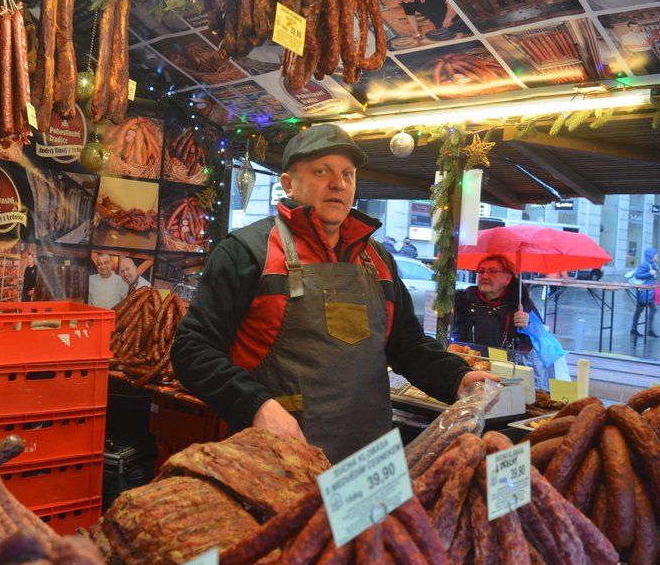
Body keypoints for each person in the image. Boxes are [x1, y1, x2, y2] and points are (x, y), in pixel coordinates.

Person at [171, 124, 493, 462]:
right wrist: (255, 405)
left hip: (370, 462)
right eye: (321, 171)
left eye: (348, 174)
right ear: (288, 184)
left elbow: (407, 345)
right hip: (278, 458)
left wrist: (458, 377)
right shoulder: (247, 252)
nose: (338, 183)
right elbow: (193, 350)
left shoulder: (378, 259)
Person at [452, 254, 549, 389]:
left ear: (508, 279)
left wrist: (529, 326)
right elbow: (455, 339)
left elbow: (541, 343)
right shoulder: (465, 301)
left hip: (507, 376)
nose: (485, 276)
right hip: (471, 373)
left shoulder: (520, 303)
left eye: (492, 271)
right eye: (481, 271)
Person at [385, 0, 458, 42]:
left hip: (454, 18)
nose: (405, 2)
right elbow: (411, 17)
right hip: (439, 24)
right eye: (403, 1)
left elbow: (450, 2)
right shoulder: (406, 3)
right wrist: (417, 33)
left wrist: (448, 18)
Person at [630, 247, 660, 337]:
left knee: (652, 309)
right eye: (656, 254)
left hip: (649, 292)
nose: (657, 256)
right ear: (651, 256)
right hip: (643, 292)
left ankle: (649, 330)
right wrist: (650, 273)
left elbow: (653, 278)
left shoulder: (653, 265)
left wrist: (654, 275)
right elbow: (638, 275)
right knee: (639, 310)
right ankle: (634, 329)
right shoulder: (645, 265)